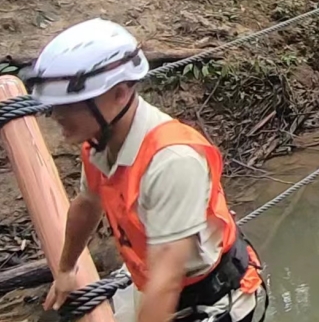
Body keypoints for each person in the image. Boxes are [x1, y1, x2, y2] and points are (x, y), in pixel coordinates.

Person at [26, 19, 267, 322]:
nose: (57, 115)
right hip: (154, 278)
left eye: (71, 104)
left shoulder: (172, 161)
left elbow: (165, 283)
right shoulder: (100, 141)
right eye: (55, 106)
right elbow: (88, 204)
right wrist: (65, 270)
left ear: (120, 93)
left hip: (209, 301)